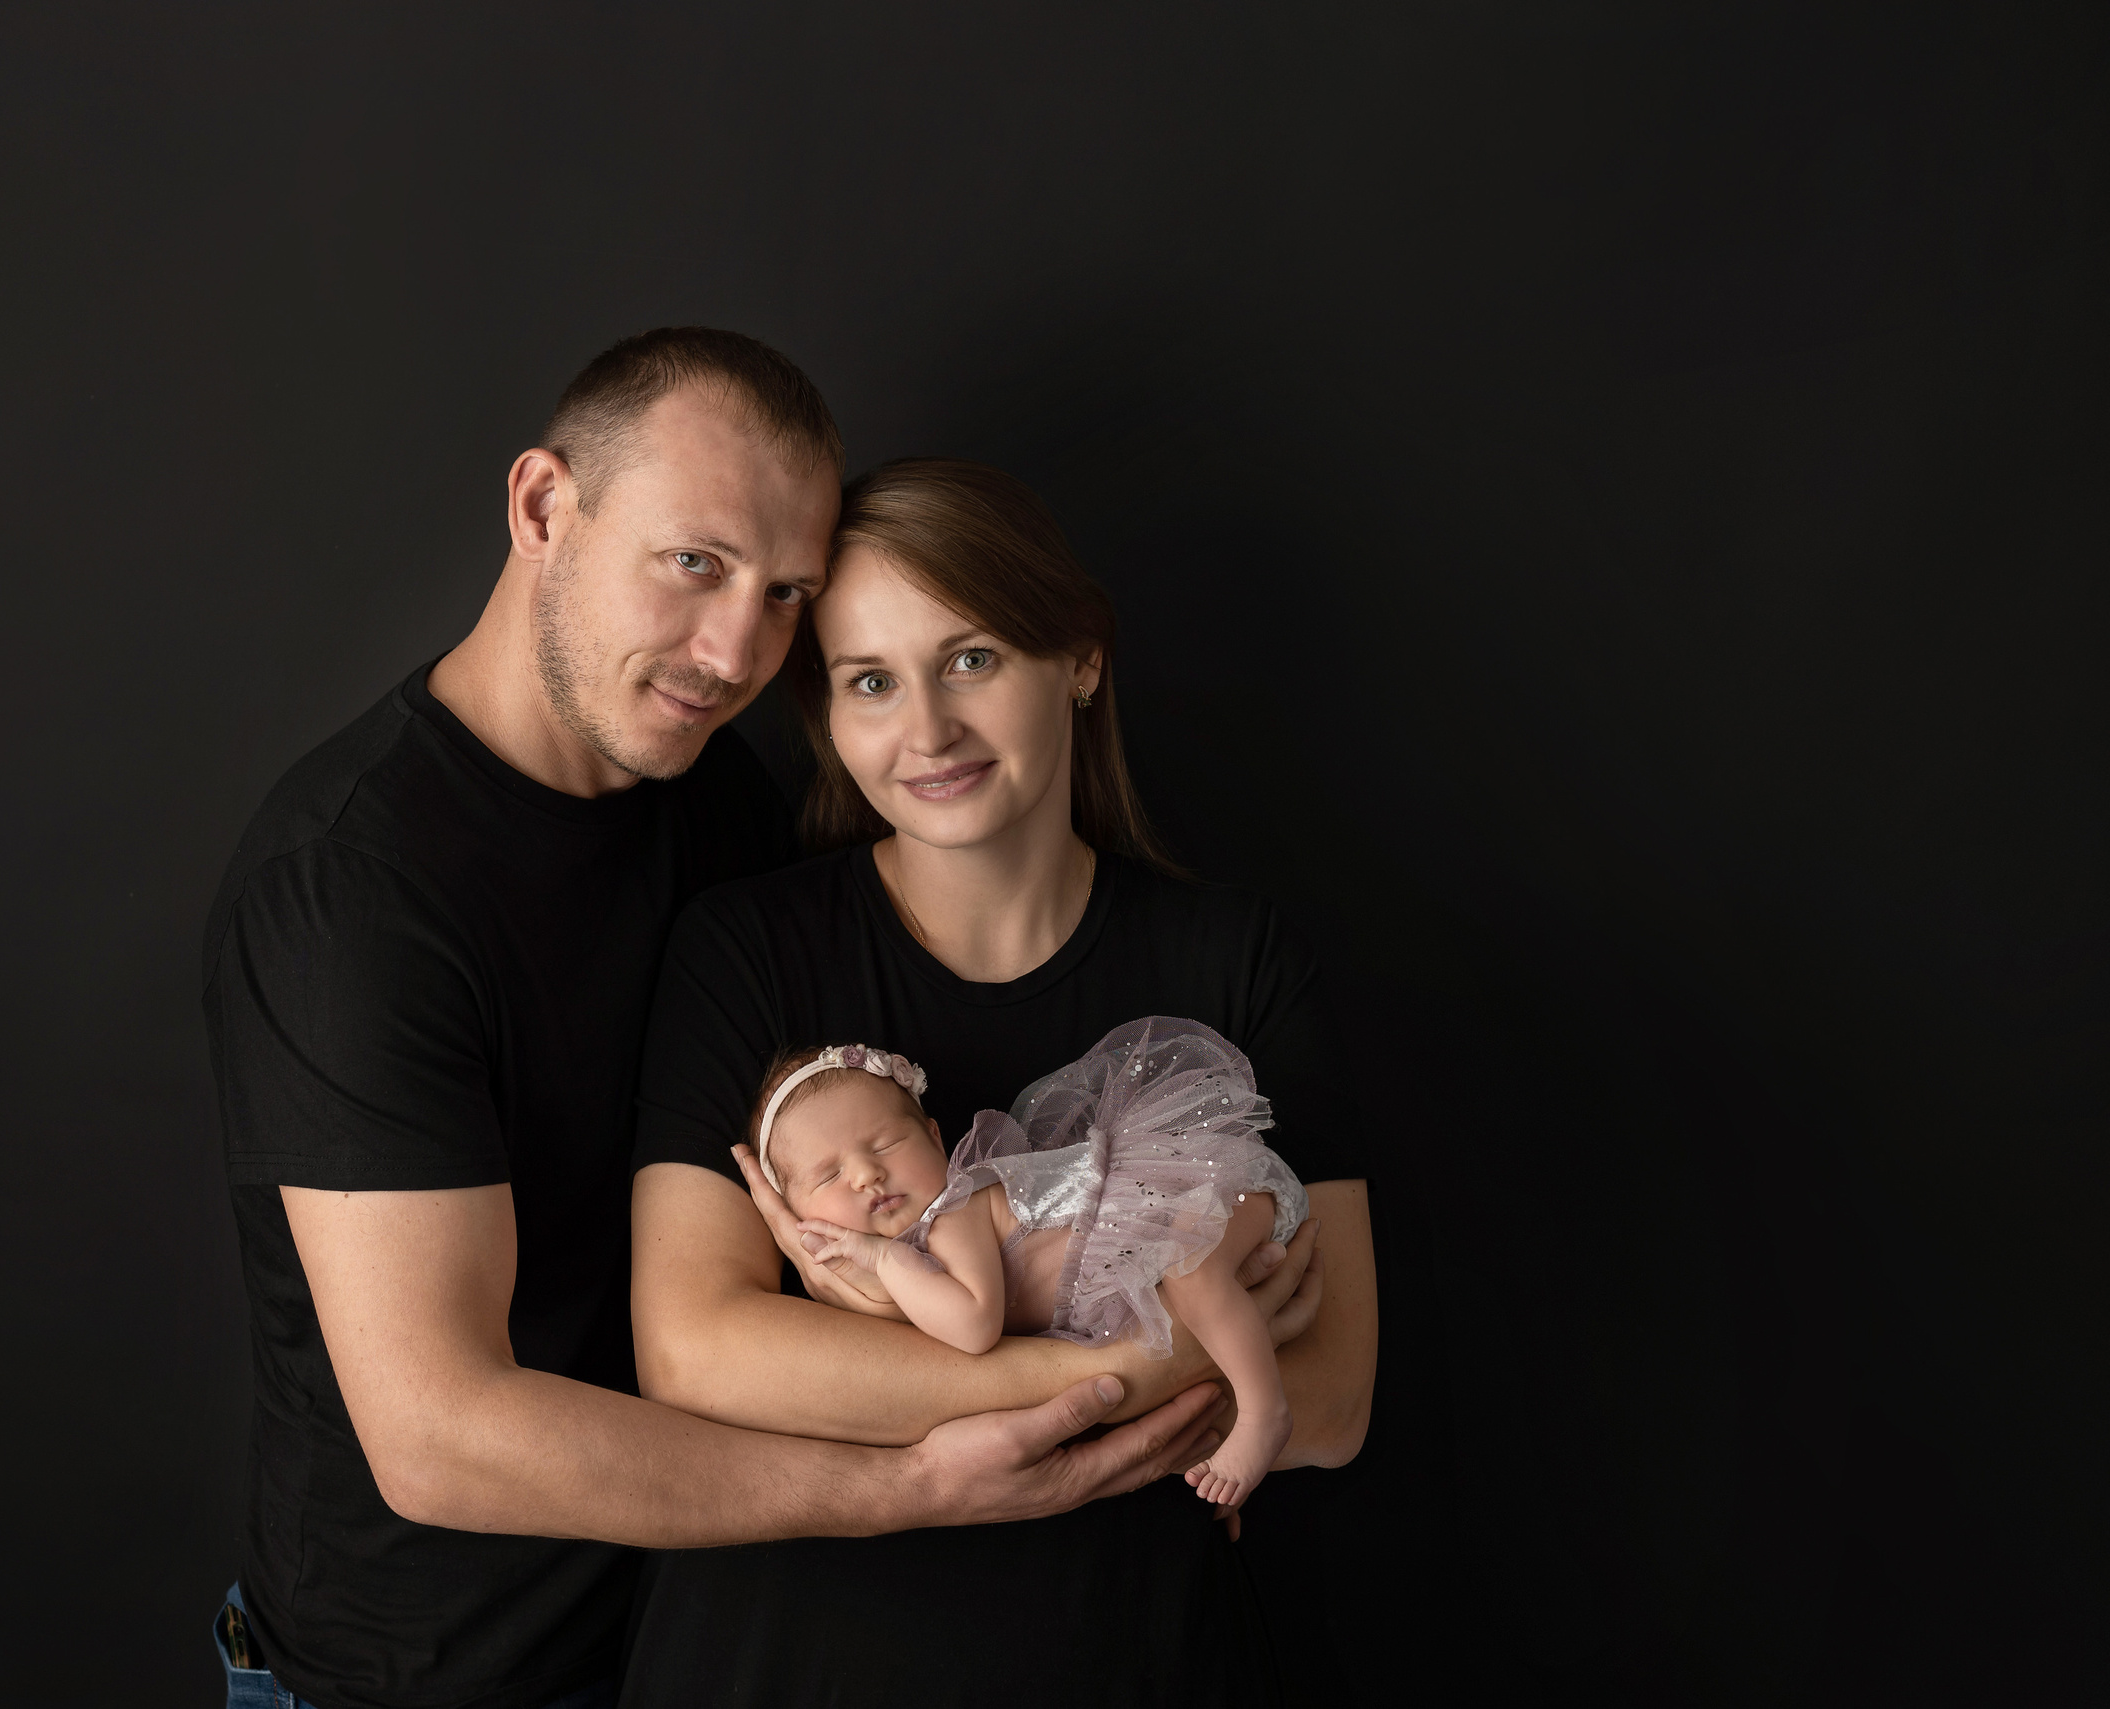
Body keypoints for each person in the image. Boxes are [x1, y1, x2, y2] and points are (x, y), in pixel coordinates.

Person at [201, 335, 1232, 1709]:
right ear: (542, 509)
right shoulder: (350, 895)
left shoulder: (717, 798)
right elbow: (443, 1434)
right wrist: (913, 1484)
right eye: (695, 562)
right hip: (433, 1677)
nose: (736, 649)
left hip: (697, 1634)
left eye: (786, 593)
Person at [626, 457, 1381, 1706]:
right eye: (871, 681)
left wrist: (861, 1350)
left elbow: (1339, 1393)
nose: (925, 731)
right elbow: (699, 1356)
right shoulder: (744, 949)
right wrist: (1184, 1354)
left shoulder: (1233, 957)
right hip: (790, 1665)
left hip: (1134, 1659)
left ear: (1078, 657)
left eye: (969, 658)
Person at [756, 1017, 1309, 1508]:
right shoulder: (915, 1264)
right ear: (794, 1213)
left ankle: (1264, 1414)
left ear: (933, 1137)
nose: (865, 1175)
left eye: (885, 1144)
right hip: (1170, 1250)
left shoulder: (957, 1209)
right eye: (828, 1176)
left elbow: (972, 1328)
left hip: (1205, 1189)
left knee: (1193, 1271)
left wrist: (879, 1258)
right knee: (1189, 1316)